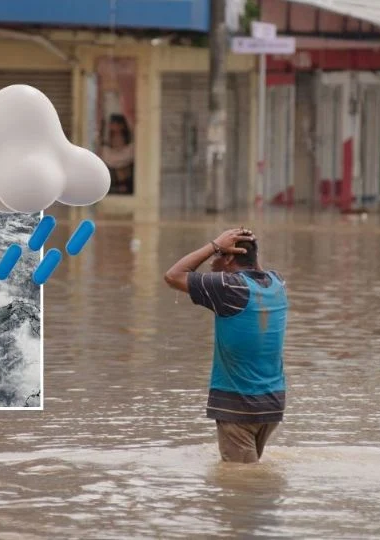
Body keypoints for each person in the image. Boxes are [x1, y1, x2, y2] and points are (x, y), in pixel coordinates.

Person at [163, 228, 288, 464]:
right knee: (250, 476)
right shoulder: (277, 283)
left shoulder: (229, 287)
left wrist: (213, 244)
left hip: (239, 404)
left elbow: (173, 275)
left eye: (216, 256)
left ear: (229, 257)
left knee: (241, 484)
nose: (211, 263)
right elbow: (254, 269)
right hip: (272, 404)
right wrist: (245, 247)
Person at [100, 114, 134, 194]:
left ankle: (124, 183)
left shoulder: (126, 139)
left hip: (125, 160)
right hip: (113, 163)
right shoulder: (108, 139)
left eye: (117, 124)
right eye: (113, 124)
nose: (115, 126)